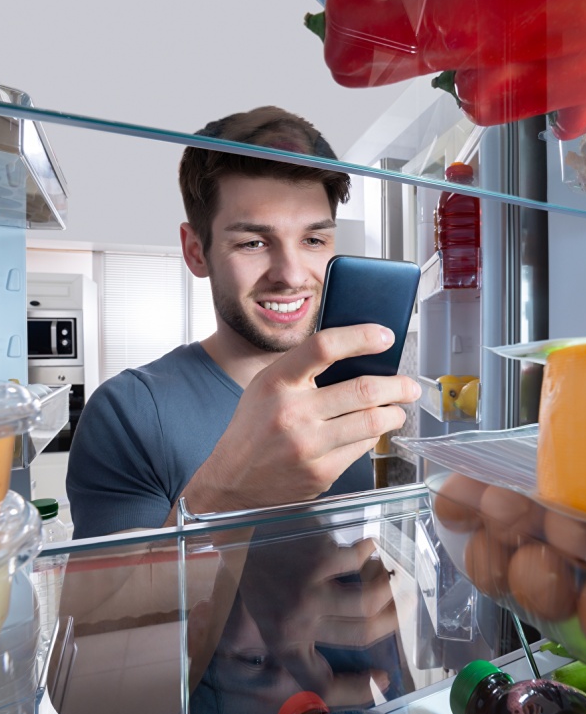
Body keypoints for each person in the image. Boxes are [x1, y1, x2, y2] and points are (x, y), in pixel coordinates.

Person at [67, 106, 422, 538]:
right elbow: (97, 608)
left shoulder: (342, 389)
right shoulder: (128, 413)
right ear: (196, 251)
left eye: (313, 240)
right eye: (253, 242)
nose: (291, 275)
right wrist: (233, 495)